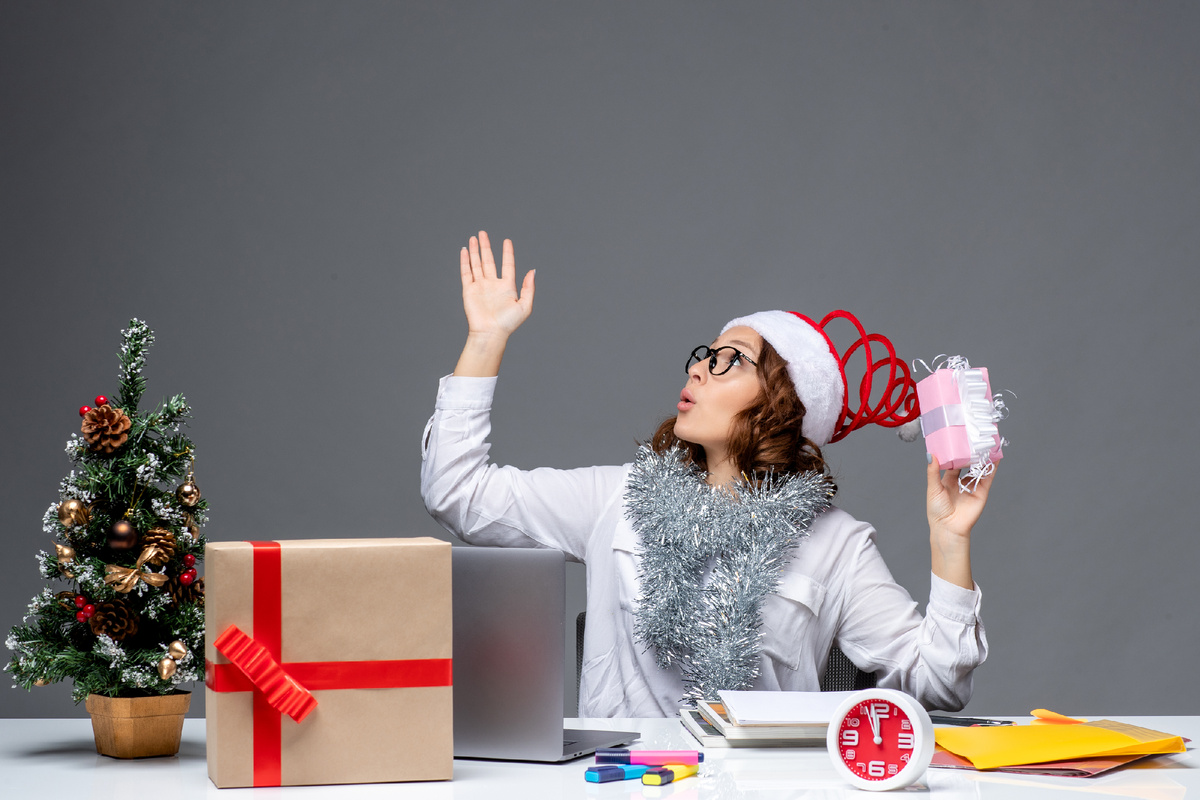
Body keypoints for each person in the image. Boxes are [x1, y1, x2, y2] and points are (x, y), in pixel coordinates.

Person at [421, 231, 993, 717]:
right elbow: (459, 493)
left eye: (729, 359)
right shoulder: (617, 499)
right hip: (624, 788)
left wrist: (950, 541)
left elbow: (938, 683)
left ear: (782, 403)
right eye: (704, 354)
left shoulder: (836, 544)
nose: (699, 366)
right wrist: (485, 340)